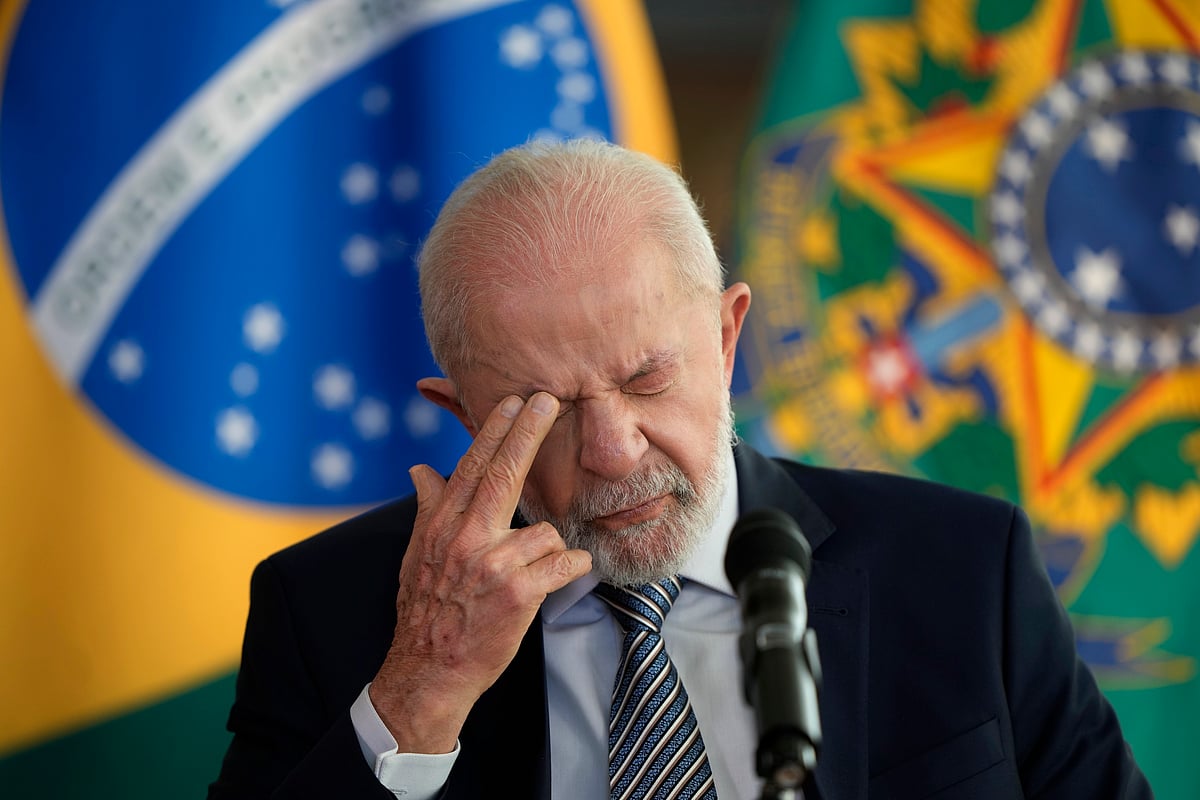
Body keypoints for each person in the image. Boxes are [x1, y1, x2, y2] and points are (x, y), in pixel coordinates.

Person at [209, 139, 1152, 799]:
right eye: (545, 409)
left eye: (647, 377)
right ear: (461, 416)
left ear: (729, 334)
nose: (615, 450)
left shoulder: (962, 571)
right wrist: (422, 692)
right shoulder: (332, 613)